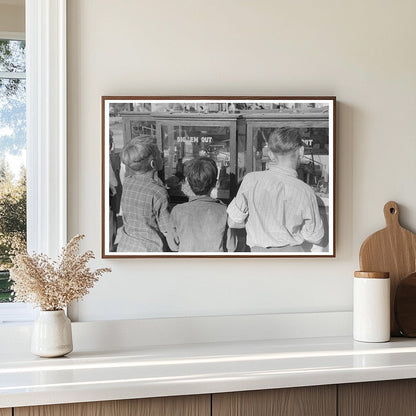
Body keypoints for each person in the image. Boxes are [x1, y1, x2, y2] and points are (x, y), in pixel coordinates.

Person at [227, 127, 324, 252]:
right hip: (293, 258)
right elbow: (316, 237)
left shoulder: (251, 180)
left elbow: (233, 222)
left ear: (271, 154)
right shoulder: (305, 191)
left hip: (258, 256)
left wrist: (258, 225)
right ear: (301, 151)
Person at [167, 157, 236, 252]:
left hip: (186, 265)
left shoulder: (177, 211)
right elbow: (231, 246)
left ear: (188, 182)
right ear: (215, 183)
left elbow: (173, 245)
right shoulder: (225, 211)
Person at [117, 135, 170, 252]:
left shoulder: (128, 182)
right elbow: (167, 230)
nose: (162, 156)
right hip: (149, 250)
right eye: (159, 154)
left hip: (125, 247)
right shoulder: (158, 192)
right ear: (153, 164)